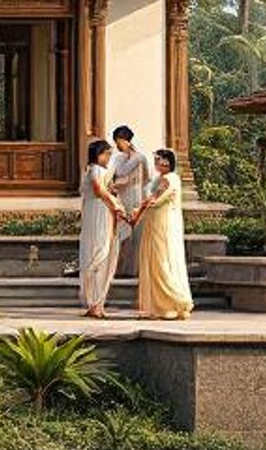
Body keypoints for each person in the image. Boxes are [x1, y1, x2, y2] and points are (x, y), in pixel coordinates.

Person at [132, 147, 195, 320]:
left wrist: (141, 209)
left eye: (159, 160)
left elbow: (158, 200)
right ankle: (159, 305)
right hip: (155, 221)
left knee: (161, 260)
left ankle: (171, 302)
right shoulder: (161, 179)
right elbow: (152, 199)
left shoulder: (169, 179)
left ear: (167, 162)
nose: (157, 163)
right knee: (156, 259)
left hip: (162, 223)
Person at [77, 137, 123, 318]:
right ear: (98, 154)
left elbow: (106, 189)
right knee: (99, 252)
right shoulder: (95, 169)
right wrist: (115, 205)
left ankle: (97, 303)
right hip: (98, 212)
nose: (108, 158)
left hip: (101, 211)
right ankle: (95, 304)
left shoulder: (99, 170)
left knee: (103, 252)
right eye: (106, 154)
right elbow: (98, 190)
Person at [109, 125, 149, 276]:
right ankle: (120, 267)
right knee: (121, 231)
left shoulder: (139, 158)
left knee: (134, 231)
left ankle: (132, 269)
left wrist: (114, 185)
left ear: (125, 140)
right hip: (121, 196)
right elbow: (116, 175)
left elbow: (142, 179)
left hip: (135, 196)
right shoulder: (119, 158)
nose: (117, 145)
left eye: (118, 141)